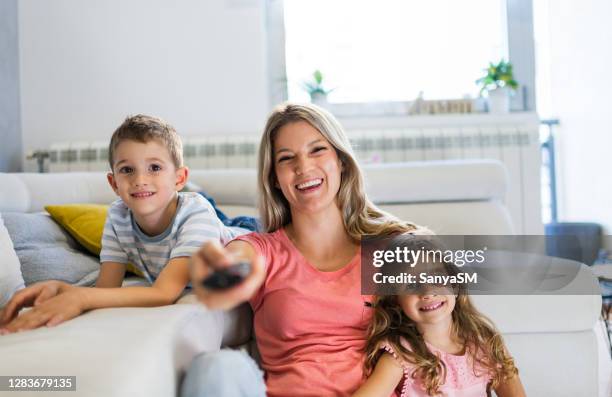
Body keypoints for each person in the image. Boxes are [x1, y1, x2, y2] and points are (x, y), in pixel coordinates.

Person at [184, 103, 421, 397]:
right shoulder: (262, 250)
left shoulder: (389, 245)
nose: (303, 167)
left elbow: (452, 321)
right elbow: (235, 264)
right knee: (216, 367)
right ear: (274, 177)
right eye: (287, 158)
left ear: (341, 161)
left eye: (317, 150)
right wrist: (218, 275)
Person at [0, 114, 243, 334]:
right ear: (113, 182)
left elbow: (164, 293)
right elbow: (107, 288)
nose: (140, 180)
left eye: (155, 168)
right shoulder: (118, 215)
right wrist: (62, 289)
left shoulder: (195, 214)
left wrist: (81, 298)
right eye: (127, 170)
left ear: (180, 178)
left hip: (245, 236)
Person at [353, 235, 526, 397]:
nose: (428, 292)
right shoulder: (400, 356)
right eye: (412, 284)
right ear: (395, 299)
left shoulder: (485, 343)